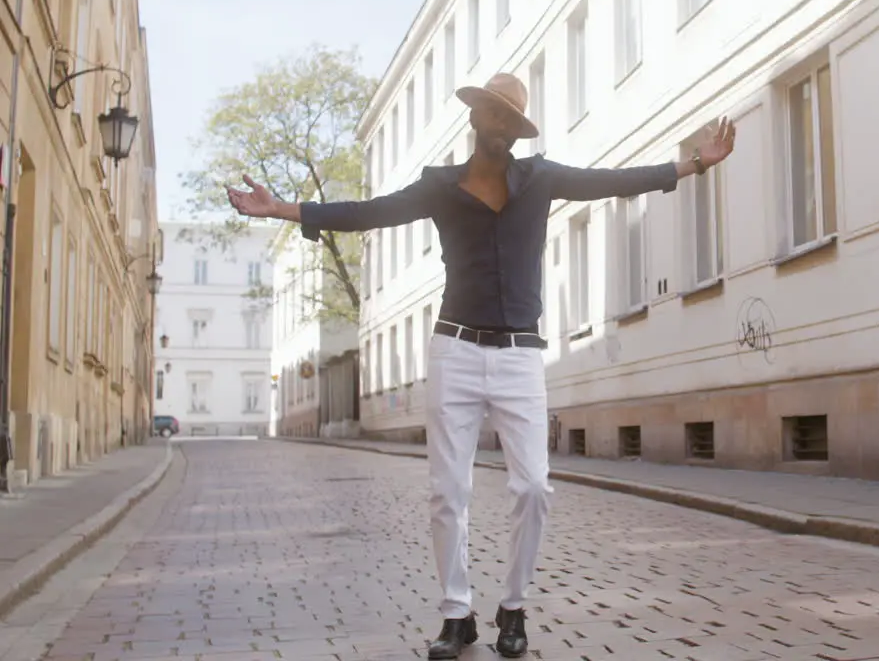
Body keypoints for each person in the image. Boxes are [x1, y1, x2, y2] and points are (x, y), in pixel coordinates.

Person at [227, 72, 736, 659]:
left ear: (517, 131)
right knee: (448, 491)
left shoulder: (541, 178)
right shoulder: (440, 188)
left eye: (511, 120)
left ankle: (513, 607)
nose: (501, 127)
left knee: (535, 487)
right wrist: (285, 210)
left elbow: (611, 182)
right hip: (456, 351)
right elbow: (369, 213)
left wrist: (693, 164)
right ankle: (455, 614)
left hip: (520, 353)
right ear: (476, 119)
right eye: (494, 115)